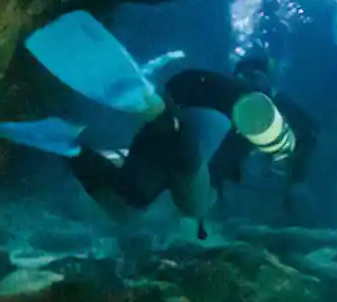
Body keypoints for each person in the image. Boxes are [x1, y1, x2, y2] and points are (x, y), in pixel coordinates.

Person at [71, 52, 319, 227]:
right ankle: (74, 150)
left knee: (132, 198)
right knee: (164, 197)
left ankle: (71, 150)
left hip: (171, 134)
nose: (248, 82)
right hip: (178, 146)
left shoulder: (236, 103)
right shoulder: (246, 107)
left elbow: (183, 86)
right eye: (247, 75)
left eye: (255, 76)